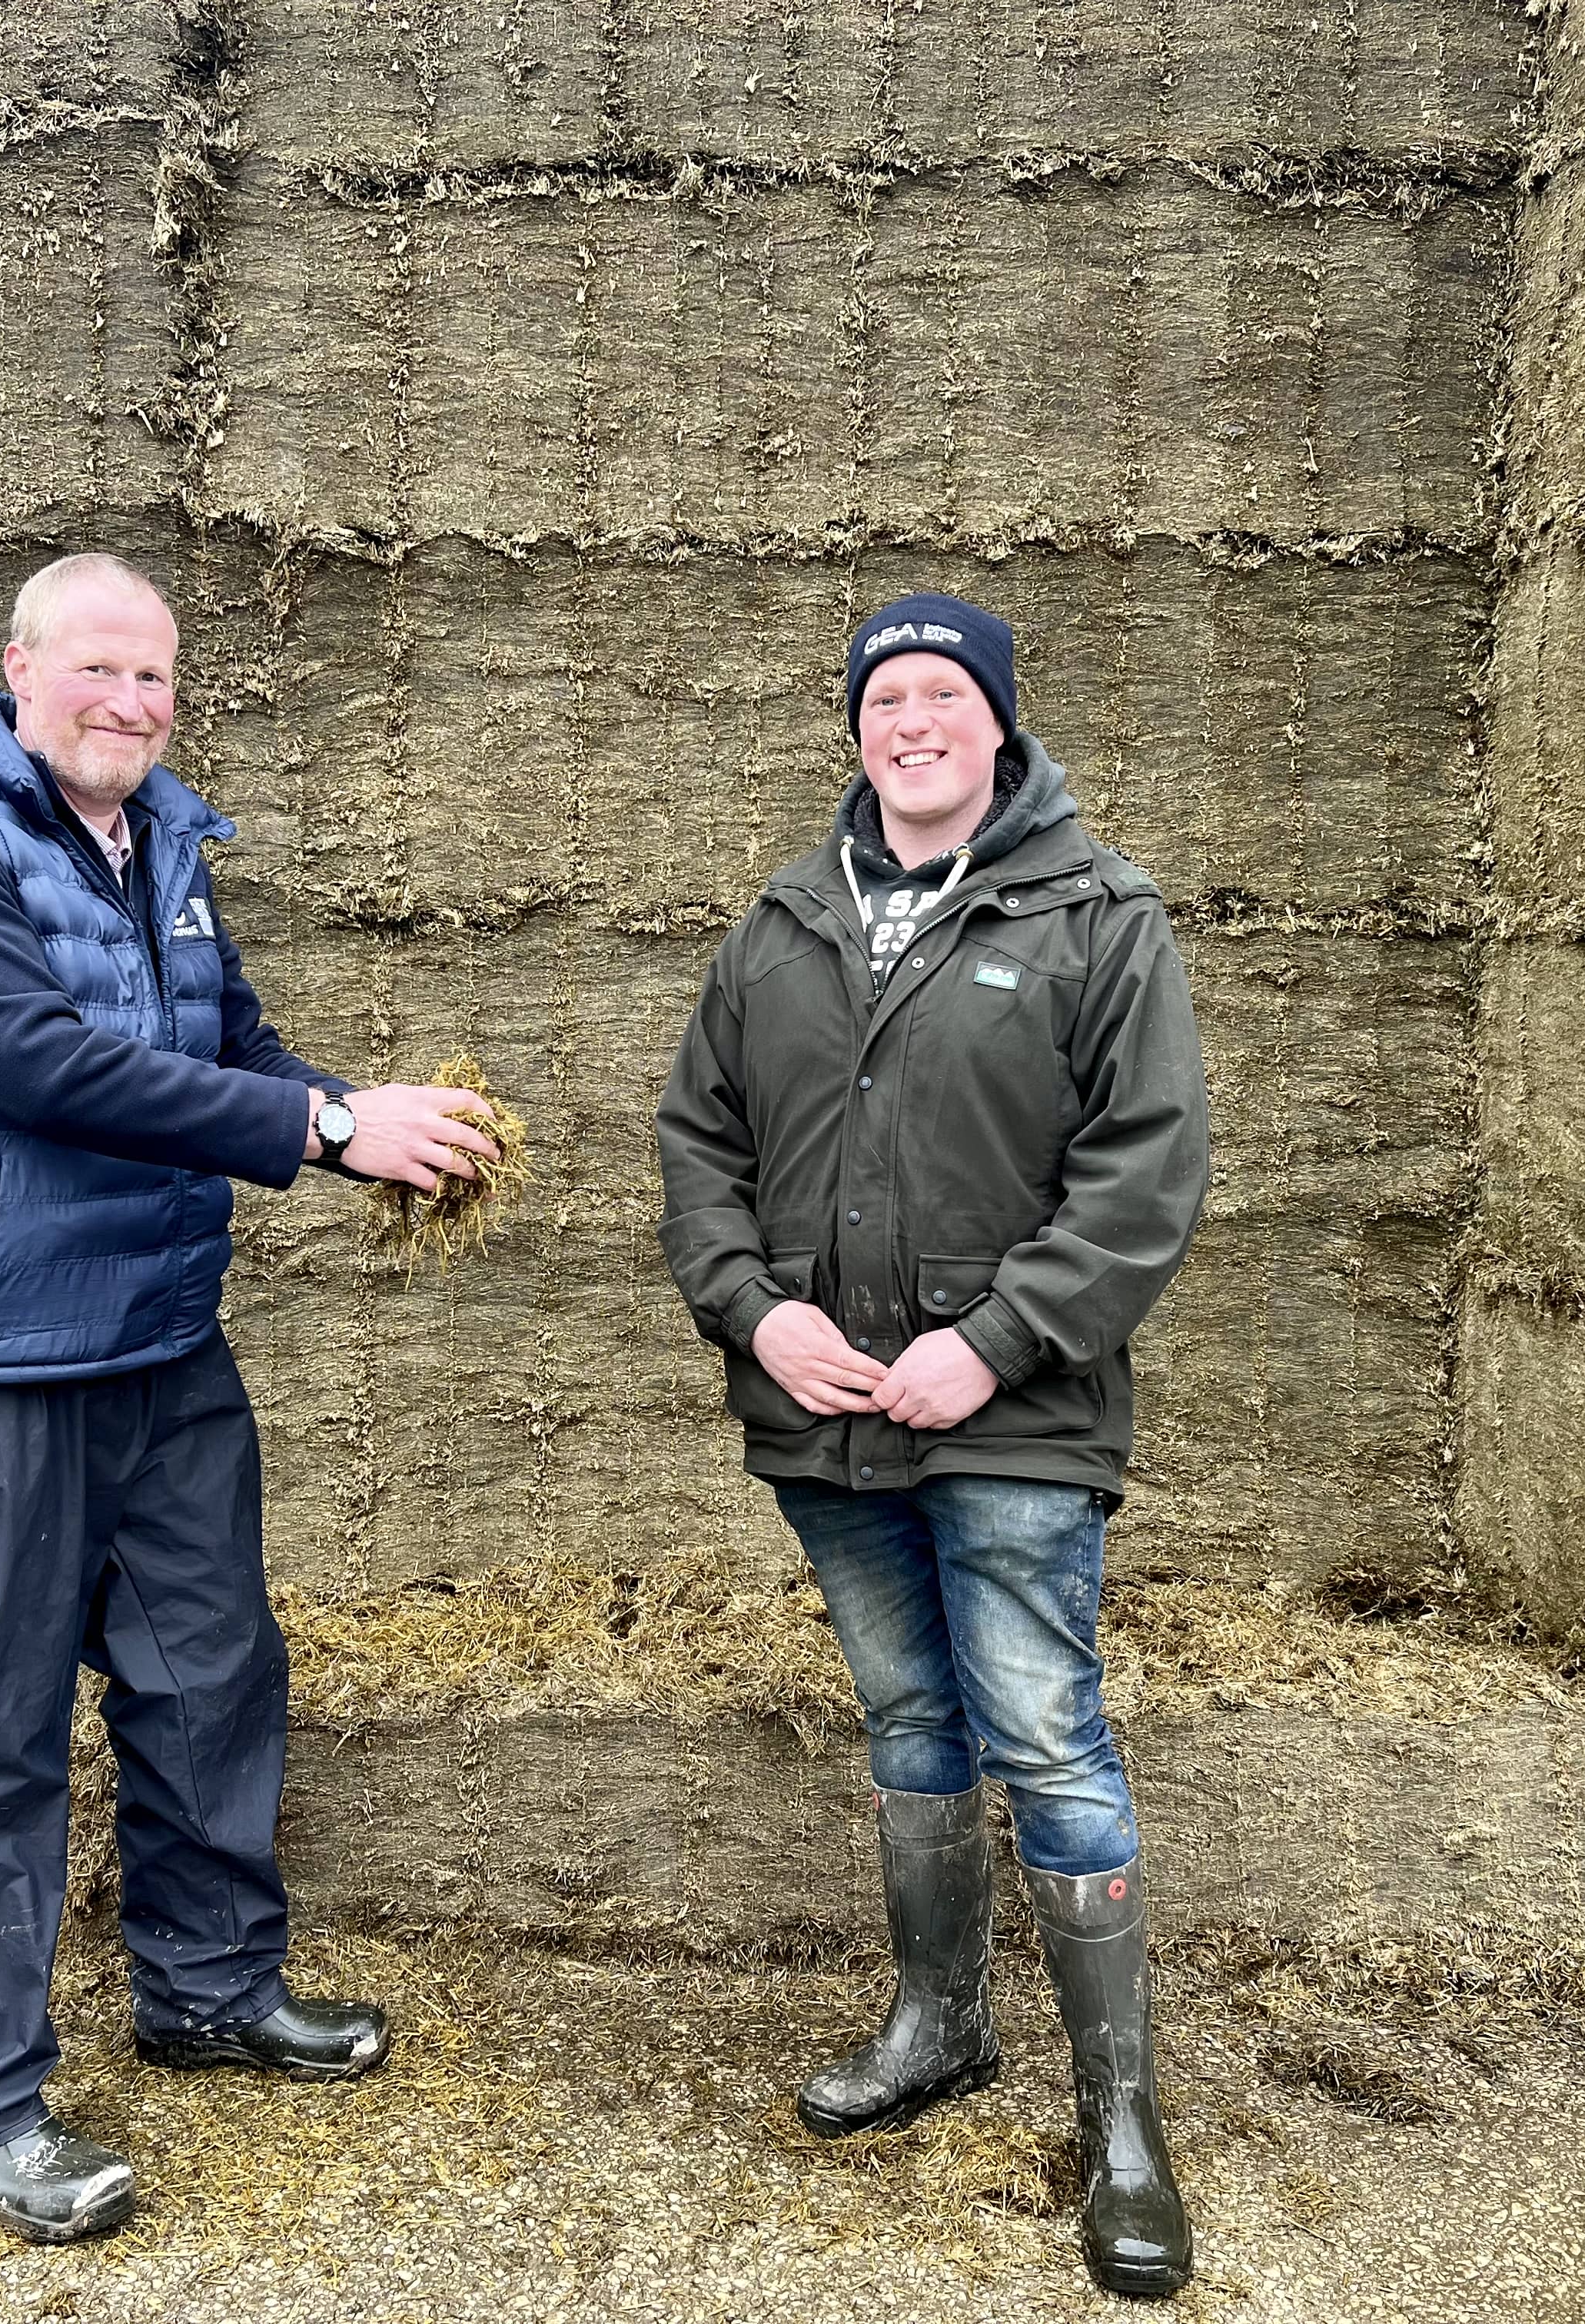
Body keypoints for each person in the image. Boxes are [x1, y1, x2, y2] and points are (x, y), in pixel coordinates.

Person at [0, 553, 498, 2243]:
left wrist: (361, 1117)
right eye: (97, 672)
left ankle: (206, 1989)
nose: (128, 704)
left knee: (210, 1667)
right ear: (19, 670)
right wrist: (323, 1134)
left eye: (155, 680)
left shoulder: (162, 844)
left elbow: (228, 1044)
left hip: (156, 1337)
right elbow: (33, 1063)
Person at [654, 593, 1211, 2299]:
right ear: (857, 729)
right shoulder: (780, 928)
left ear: (997, 723)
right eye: (884, 697)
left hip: (1016, 1418)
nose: (912, 720)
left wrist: (993, 1342)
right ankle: (939, 2023)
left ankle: (1123, 2127)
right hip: (828, 1425)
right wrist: (757, 1311)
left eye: (942, 694)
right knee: (909, 1716)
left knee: (1042, 1733)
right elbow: (700, 1145)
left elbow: (1145, 1172)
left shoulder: (1096, 915)